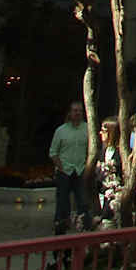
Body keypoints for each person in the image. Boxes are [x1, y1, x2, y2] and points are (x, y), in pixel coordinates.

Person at [49, 99, 93, 235]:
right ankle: (60, 228)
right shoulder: (61, 131)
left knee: (82, 201)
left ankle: (84, 228)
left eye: (80, 111)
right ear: (70, 113)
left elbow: (92, 150)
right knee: (62, 202)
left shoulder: (88, 129)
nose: (77, 113)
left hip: (80, 170)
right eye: (75, 111)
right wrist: (61, 167)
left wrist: (88, 166)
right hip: (64, 171)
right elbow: (53, 152)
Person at [97, 117, 123, 225]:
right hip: (102, 195)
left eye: (103, 131)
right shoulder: (102, 151)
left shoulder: (120, 153)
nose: (100, 133)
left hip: (115, 197)